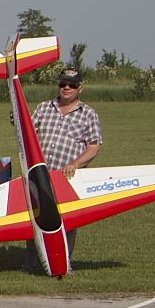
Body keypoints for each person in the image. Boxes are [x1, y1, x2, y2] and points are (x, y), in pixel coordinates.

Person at [29, 66, 102, 271]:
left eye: (72, 85)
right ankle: (30, 264)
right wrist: (16, 121)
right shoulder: (44, 108)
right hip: (41, 174)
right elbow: (29, 132)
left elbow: (94, 147)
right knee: (34, 218)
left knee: (68, 220)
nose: (67, 88)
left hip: (68, 177)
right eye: (63, 84)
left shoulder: (88, 114)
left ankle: (64, 263)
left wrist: (75, 164)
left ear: (80, 88)